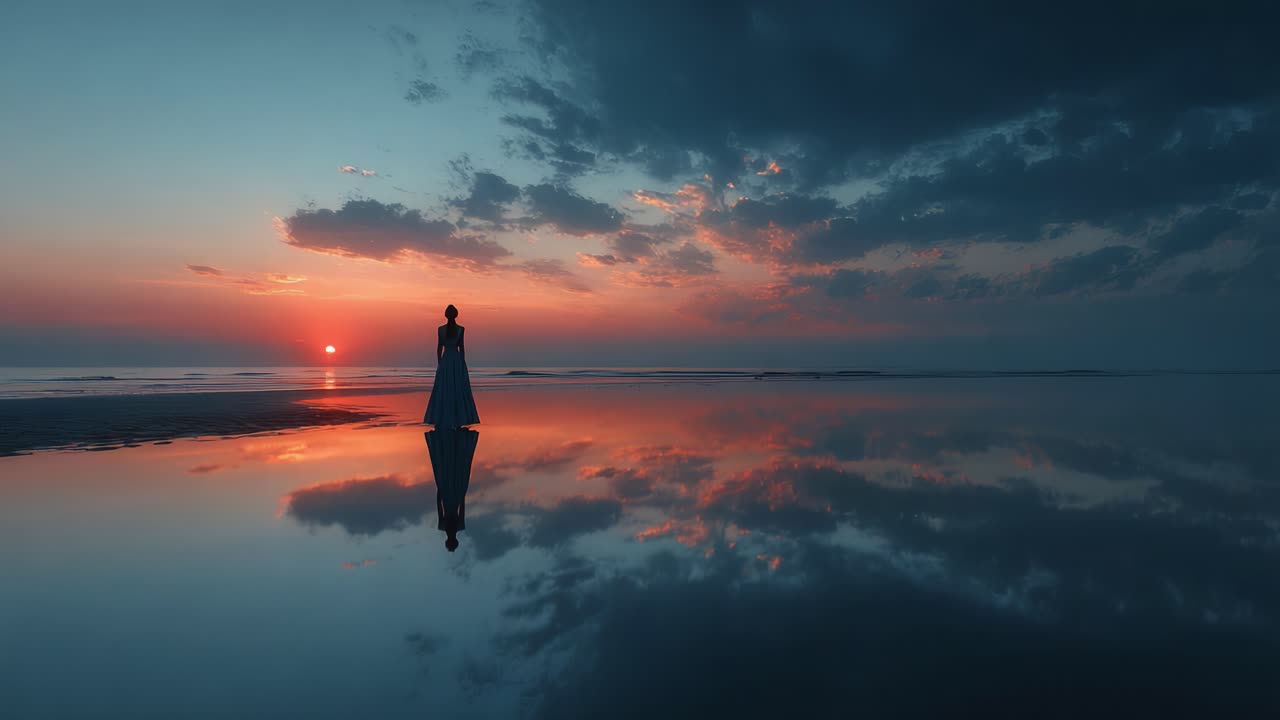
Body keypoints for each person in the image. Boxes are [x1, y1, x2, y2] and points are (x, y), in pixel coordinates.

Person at [424, 304, 480, 428]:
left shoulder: (441, 329)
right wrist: (462, 363)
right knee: (457, 388)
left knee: (444, 388)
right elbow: (462, 348)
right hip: (456, 359)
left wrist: (440, 363)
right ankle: (458, 417)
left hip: (446, 360)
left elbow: (439, 348)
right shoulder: (460, 329)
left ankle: (443, 417)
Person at [425, 429, 478, 553]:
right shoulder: (447, 526)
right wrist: (440, 488)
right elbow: (442, 507)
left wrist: (442, 489)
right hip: (450, 496)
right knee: (449, 470)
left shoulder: (454, 526)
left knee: (453, 471)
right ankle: (452, 441)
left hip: (453, 495)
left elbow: (445, 507)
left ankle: (452, 441)